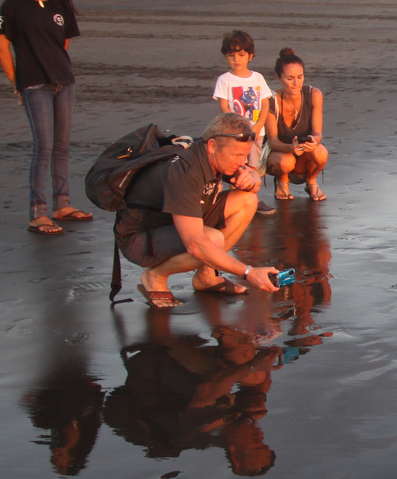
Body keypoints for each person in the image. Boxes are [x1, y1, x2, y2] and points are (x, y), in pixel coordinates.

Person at [116, 112, 281, 307]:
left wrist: (252, 179)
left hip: (174, 222)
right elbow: (195, 243)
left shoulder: (215, 154)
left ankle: (206, 275)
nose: (242, 162)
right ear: (212, 145)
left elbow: (251, 182)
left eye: (245, 155)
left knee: (247, 200)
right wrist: (248, 272)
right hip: (139, 238)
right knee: (211, 240)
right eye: (237, 155)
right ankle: (155, 277)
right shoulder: (186, 170)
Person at [0, 0, 92, 235]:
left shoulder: (59, 6)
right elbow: (2, 49)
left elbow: (62, 44)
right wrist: (18, 83)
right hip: (33, 83)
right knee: (44, 147)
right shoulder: (11, 6)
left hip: (64, 81)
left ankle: (62, 204)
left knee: (61, 147)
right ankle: (38, 212)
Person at [211, 30, 274, 215]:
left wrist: (259, 124)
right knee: (236, 166)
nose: (236, 59)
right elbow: (224, 106)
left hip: (255, 132)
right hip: (235, 134)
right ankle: (235, 199)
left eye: (241, 55)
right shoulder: (224, 80)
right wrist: (236, 128)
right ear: (225, 57)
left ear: (250, 56)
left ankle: (252, 198)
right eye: (231, 56)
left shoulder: (257, 78)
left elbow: (265, 102)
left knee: (252, 166)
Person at [263, 47, 327, 202]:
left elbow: (318, 133)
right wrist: (289, 148)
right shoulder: (270, 100)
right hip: (278, 156)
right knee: (286, 161)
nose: (296, 83)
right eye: (290, 78)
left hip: (303, 156)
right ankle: (282, 180)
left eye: (300, 77)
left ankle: (311, 181)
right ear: (278, 77)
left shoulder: (314, 95)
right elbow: (272, 141)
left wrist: (313, 142)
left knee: (321, 152)